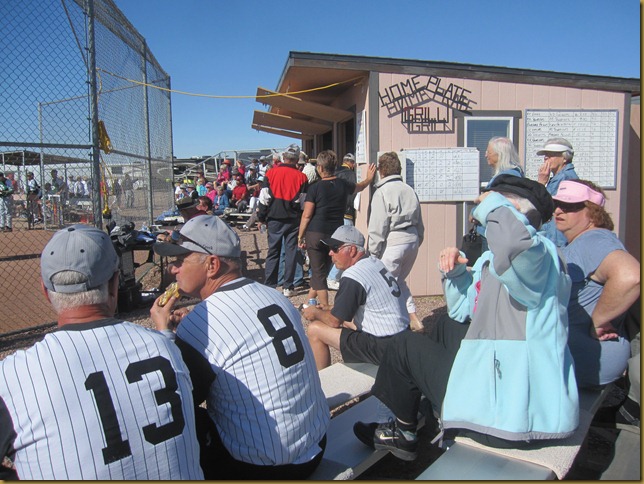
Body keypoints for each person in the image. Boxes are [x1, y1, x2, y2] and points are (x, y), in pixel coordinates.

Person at [354, 175, 579, 461]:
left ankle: (404, 432)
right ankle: (424, 409)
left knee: (403, 344)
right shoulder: (492, 260)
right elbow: (462, 311)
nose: (483, 214)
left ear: (515, 214)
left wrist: (494, 204)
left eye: (497, 206)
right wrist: (456, 273)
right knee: (446, 326)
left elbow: (515, 245)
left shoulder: (539, 255)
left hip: (515, 417)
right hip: (500, 390)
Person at [0, 225, 203, 480]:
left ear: (45, 291)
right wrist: (164, 332)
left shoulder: (13, 376)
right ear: (114, 284)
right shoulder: (163, 346)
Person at [150, 215, 330, 479]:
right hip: (317, 443)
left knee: (179, 422)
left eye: (180, 260)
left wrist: (163, 333)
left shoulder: (202, 323)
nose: (172, 270)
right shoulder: (273, 295)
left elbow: (174, 399)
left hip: (267, 468)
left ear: (212, 265)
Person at [552, 179, 640, 387]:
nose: (558, 211)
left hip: (585, 369)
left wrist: (599, 320)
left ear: (593, 212)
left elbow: (631, 276)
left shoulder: (593, 240)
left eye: (570, 206)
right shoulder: (581, 242)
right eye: (557, 204)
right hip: (582, 369)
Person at [302, 226, 410, 370]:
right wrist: (328, 308)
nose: (330, 253)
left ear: (352, 250)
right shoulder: (375, 263)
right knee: (346, 320)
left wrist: (315, 313)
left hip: (382, 347)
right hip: (403, 337)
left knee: (314, 329)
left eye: (335, 248)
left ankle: (321, 381)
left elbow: (334, 321)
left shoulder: (353, 275)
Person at [297, 150, 375, 308]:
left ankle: (325, 308)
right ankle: (308, 303)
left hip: (315, 231)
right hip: (335, 234)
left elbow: (306, 215)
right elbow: (360, 187)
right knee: (322, 271)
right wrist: (369, 178)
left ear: (320, 168)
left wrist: (300, 235)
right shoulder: (343, 184)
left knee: (318, 273)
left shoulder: (315, 188)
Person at [368, 152, 425, 331]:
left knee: (385, 284)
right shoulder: (409, 190)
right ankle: (413, 317)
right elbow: (419, 221)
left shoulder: (382, 192)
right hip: (412, 239)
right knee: (398, 281)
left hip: (393, 241)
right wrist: (418, 240)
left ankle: (393, 323)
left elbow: (378, 226)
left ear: (381, 170)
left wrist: (373, 253)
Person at [259, 143, 309, 297]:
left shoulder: (271, 173)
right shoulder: (302, 177)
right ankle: (288, 286)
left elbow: (264, 198)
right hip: (293, 219)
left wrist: (261, 218)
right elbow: (303, 202)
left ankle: (270, 285)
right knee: (291, 252)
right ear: (297, 159)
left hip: (274, 218)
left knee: (273, 252)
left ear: (283, 157)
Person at [470, 137, 524, 253]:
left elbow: (495, 204)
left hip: (494, 234)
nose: (485, 155)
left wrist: (474, 213)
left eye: (489, 152)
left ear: (500, 154)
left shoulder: (507, 178)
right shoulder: (508, 175)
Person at [536, 137, 579, 246]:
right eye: (545, 155)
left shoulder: (565, 178)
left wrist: (541, 183)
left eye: (551, 154)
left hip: (558, 239)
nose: (546, 158)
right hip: (554, 236)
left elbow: (546, 206)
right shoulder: (558, 177)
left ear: (564, 158)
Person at [327, 153, 358, 290]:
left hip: (333, 214)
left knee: (335, 246)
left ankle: (333, 275)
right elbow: (351, 196)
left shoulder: (335, 172)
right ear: (352, 163)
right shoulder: (350, 175)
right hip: (346, 213)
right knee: (345, 246)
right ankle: (333, 277)